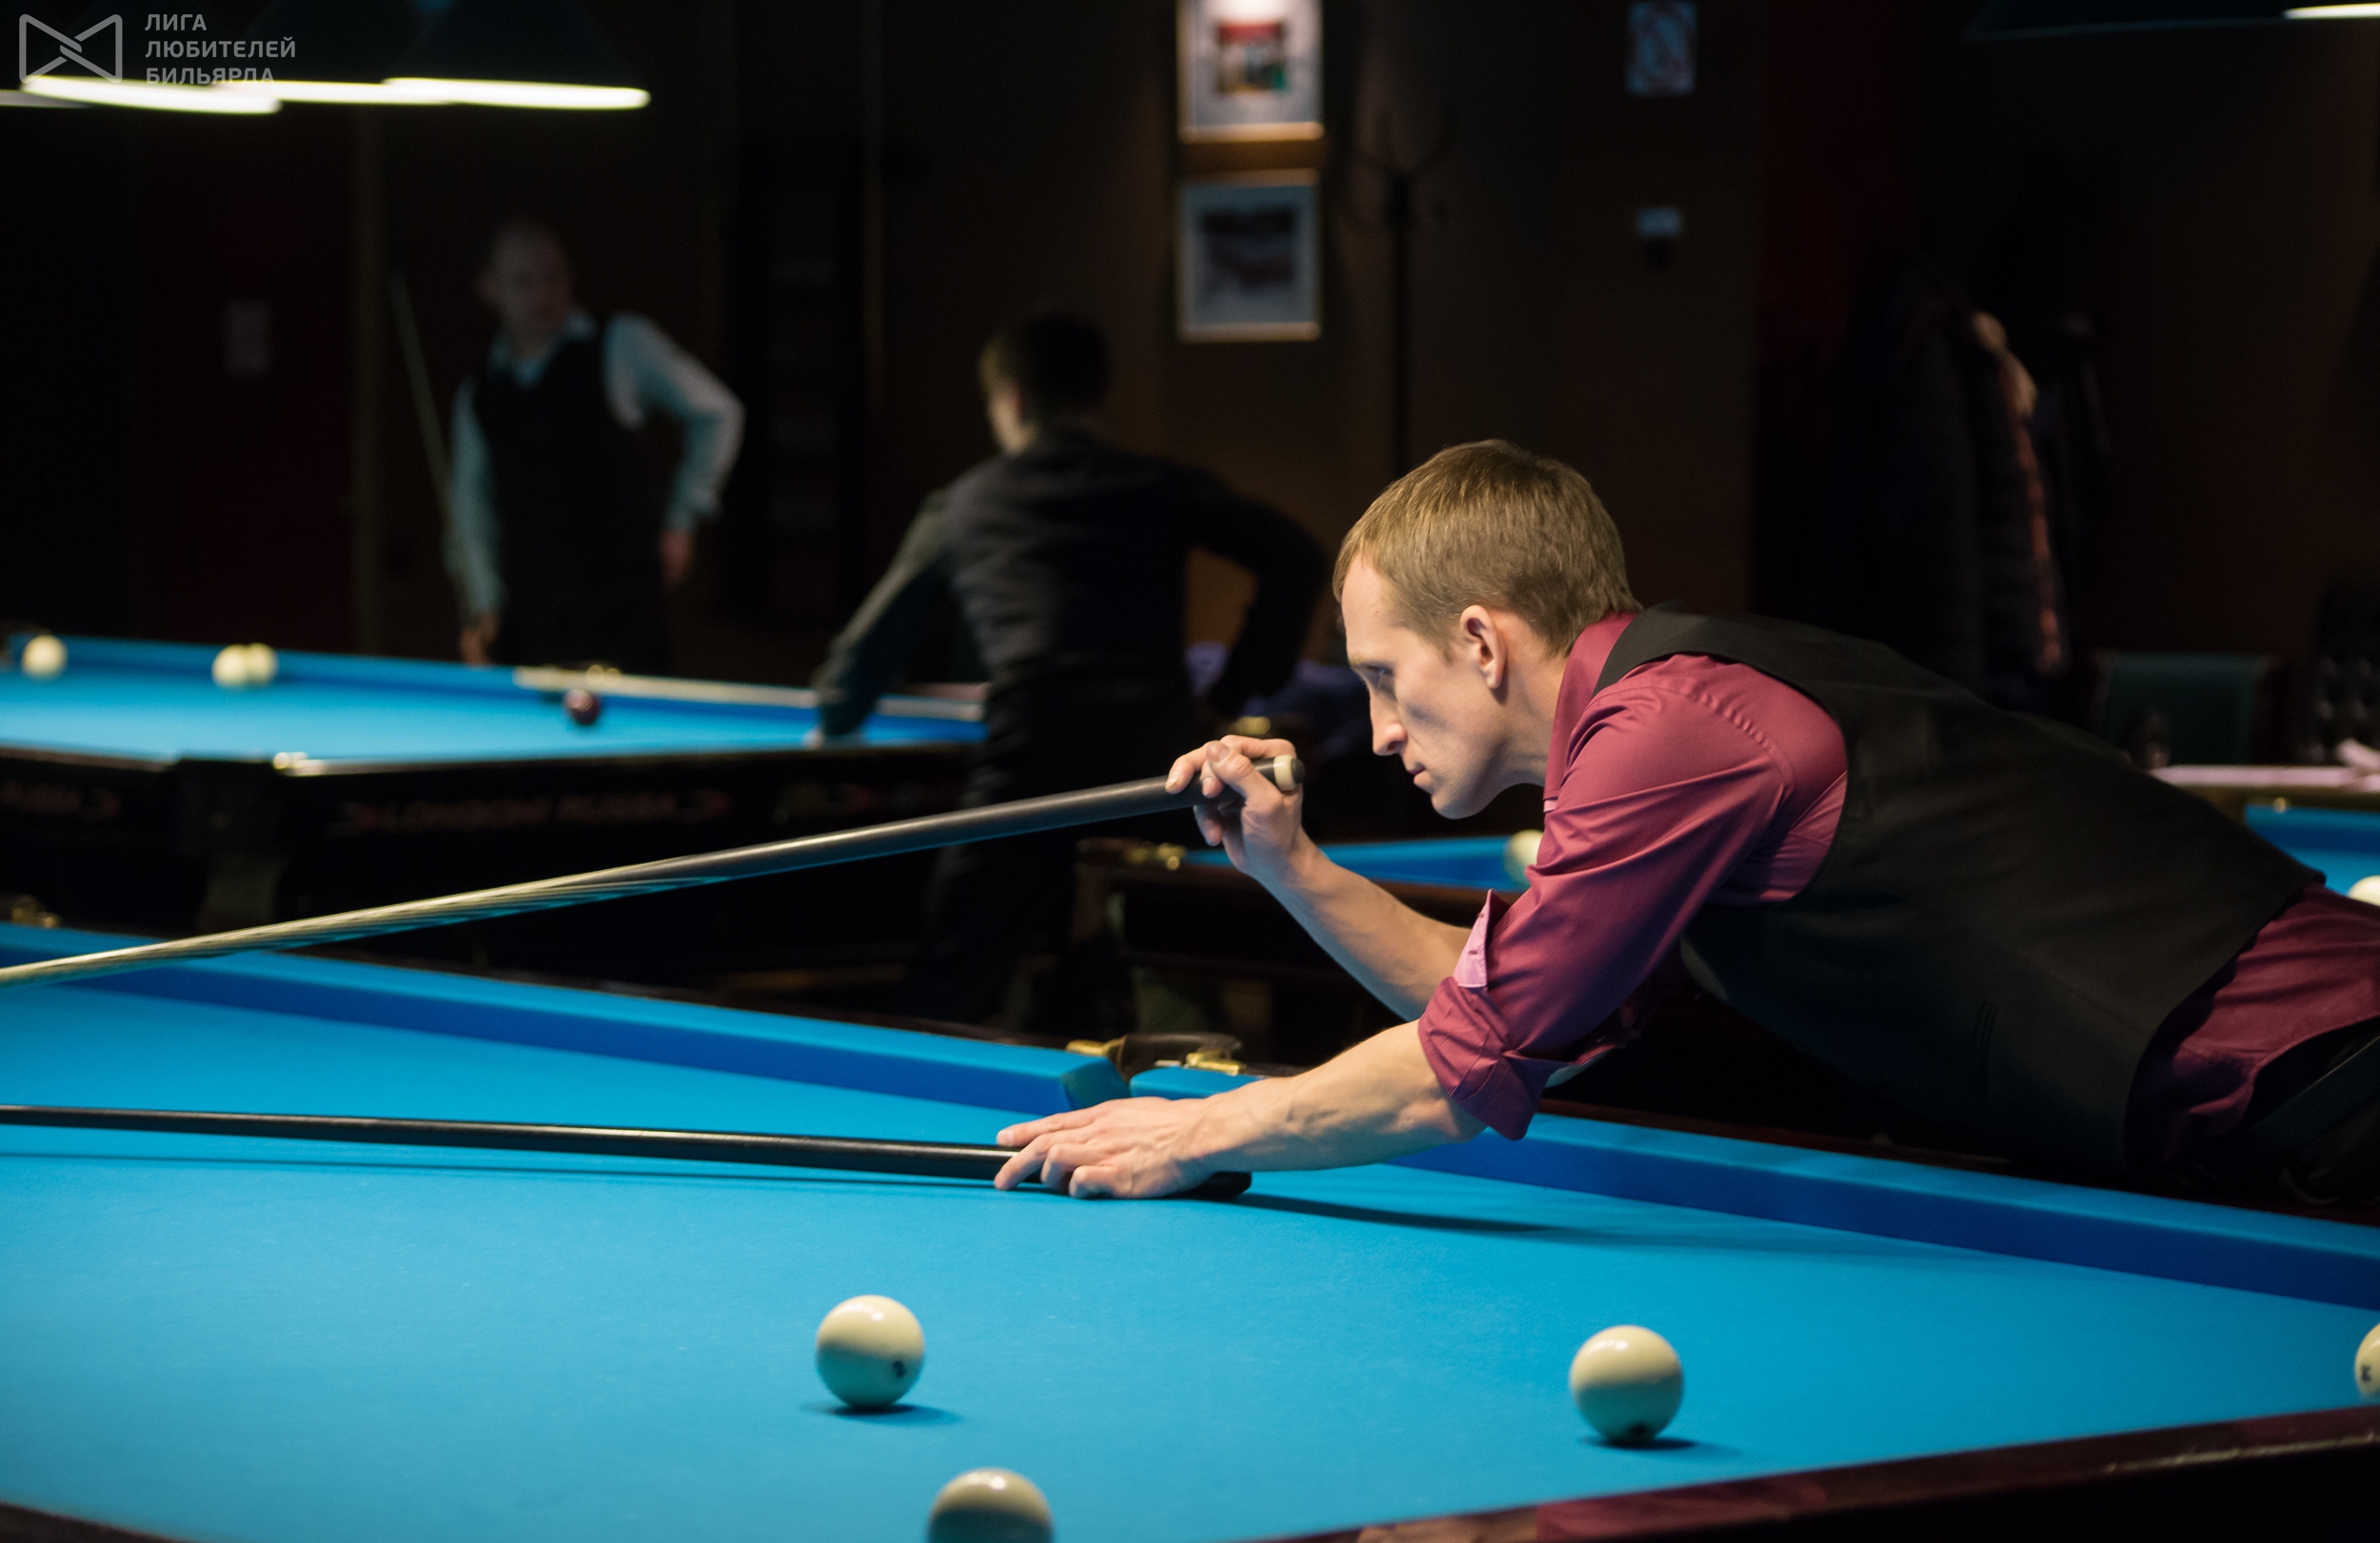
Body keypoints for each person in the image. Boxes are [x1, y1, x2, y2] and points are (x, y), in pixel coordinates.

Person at [992, 440, 2380, 1201]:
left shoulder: (1669, 731)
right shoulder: (1648, 729)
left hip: (2329, 1065)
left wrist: (1205, 1127)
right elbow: (1502, 1012)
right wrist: (1293, 868)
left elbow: (1451, 1072)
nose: (1379, 729)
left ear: (1479, 639)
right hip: (2258, 1103)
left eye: (1383, 676)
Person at [812, 309, 1325, 1022]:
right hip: (1159, 767)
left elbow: (859, 665)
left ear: (1012, 398)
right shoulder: (1159, 484)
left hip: (1029, 769)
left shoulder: (963, 505)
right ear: (1097, 396)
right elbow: (1297, 557)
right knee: (1183, 965)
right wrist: (1234, 690)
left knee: (949, 984)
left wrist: (838, 710)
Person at [444, 216, 744, 676]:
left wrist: (682, 520)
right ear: (489, 289)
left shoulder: (622, 342)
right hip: (531, 626)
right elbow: (470, 512)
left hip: (625, 620)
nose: (543, 294)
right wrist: (484, 605)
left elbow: (718, 412)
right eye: (524, 280)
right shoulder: (478, 394)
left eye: (553, 276)